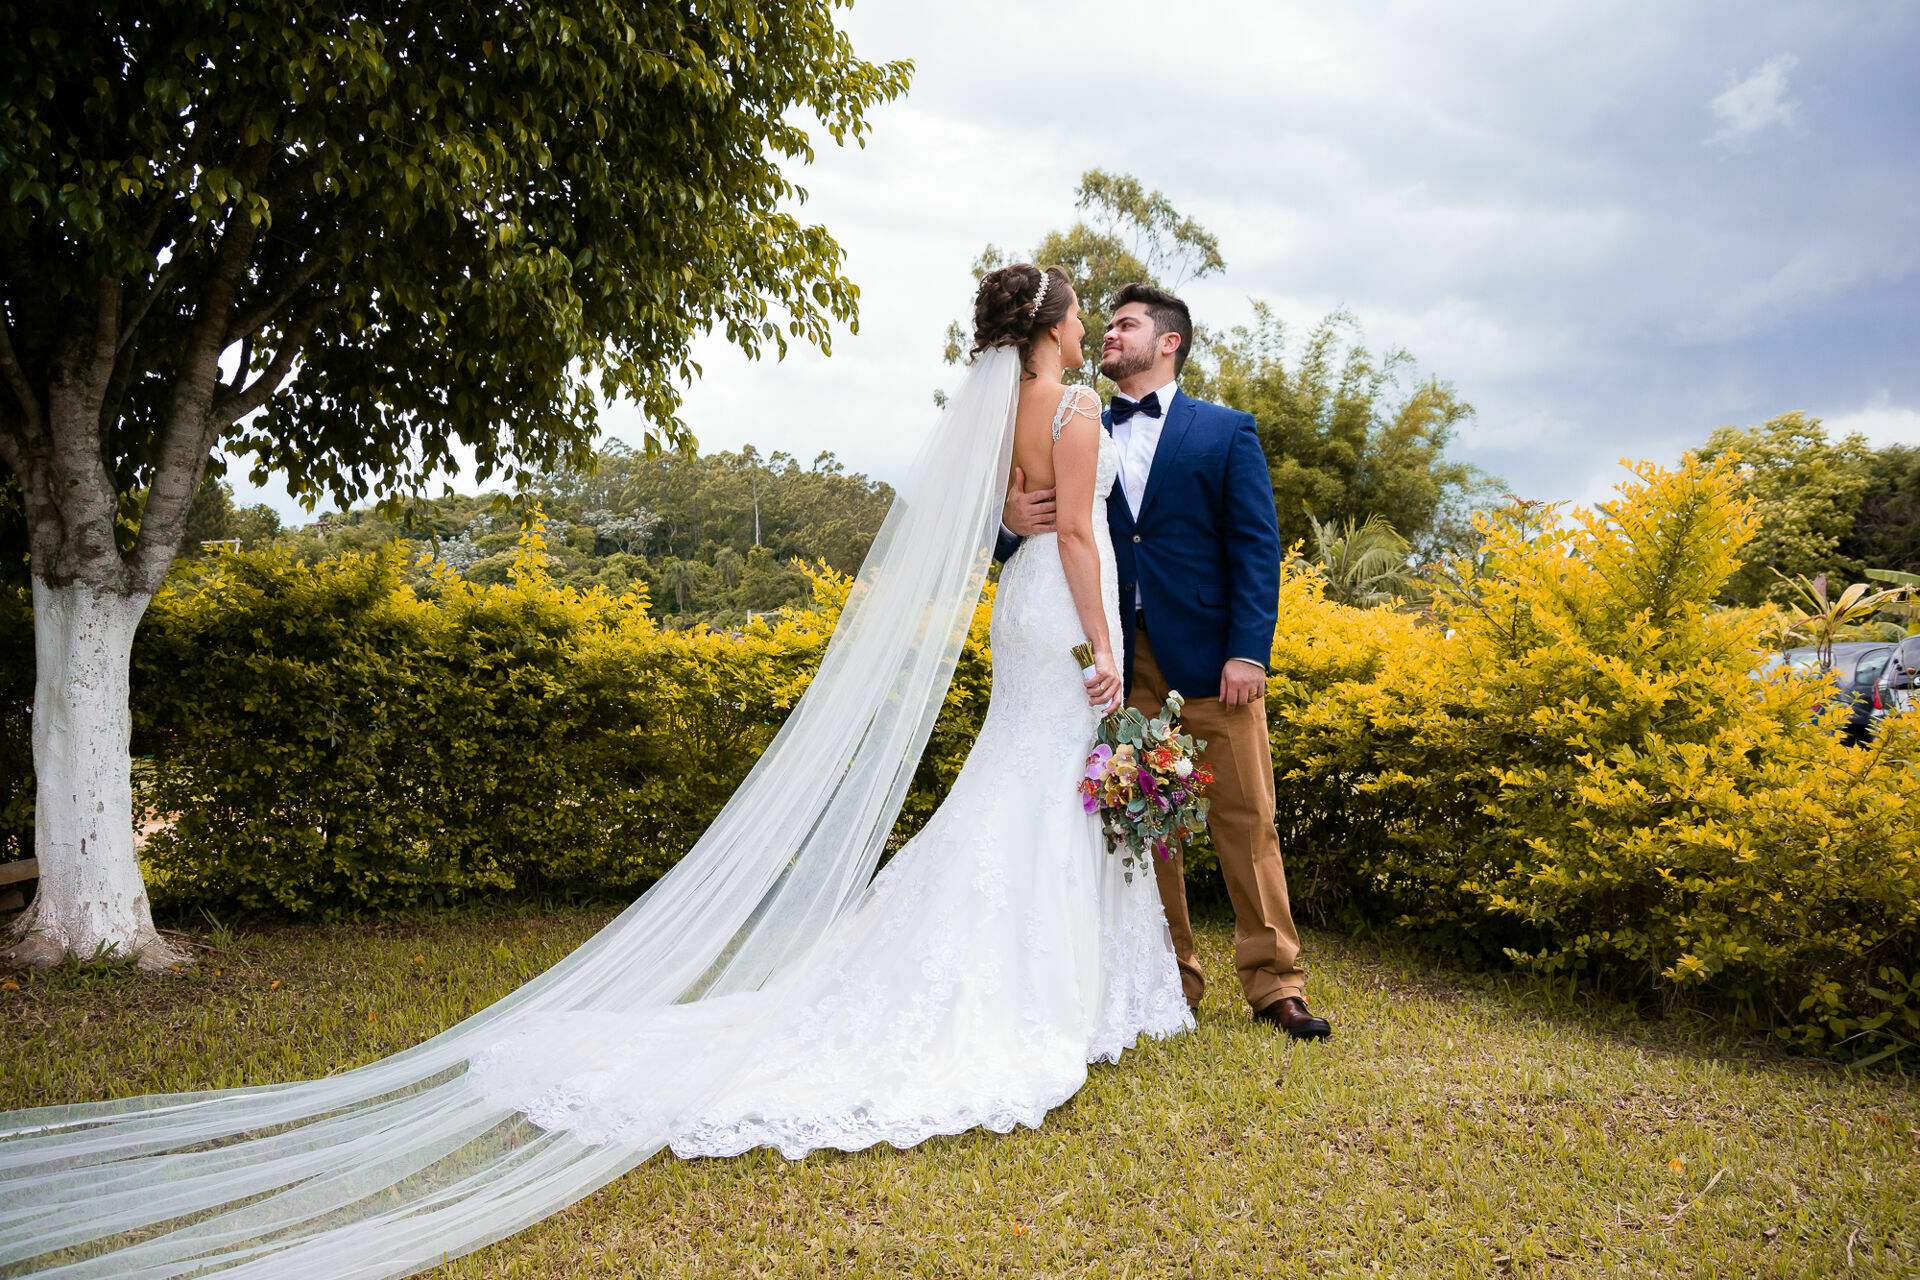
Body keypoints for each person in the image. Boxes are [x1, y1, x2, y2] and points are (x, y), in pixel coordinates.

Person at [0, 266, 1191, 1280]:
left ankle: (1065, 979)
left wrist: (1042, 532)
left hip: (1016, 611)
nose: (1092, 329)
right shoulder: (1075, 400)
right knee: (1038, 784)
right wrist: (1102, 645)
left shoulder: (992, 410)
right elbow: (1075, 530)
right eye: (1083, 313)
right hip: (1064, 614)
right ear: (1051, 326)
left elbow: (1017, 507)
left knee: (1018, 785)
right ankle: (1056, 991)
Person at [1000, 283, 1334, 1040]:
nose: (1109, 335)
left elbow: (1256, 548)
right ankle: (1169, 977)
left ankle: (1276, 984)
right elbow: (1037, 525)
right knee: (1138, 823)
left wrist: (1250, 649)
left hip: (1214, 657)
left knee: (1247, 820)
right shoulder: (1074, 413)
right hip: (1115, 655)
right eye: (1104, 324)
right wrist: (1010, 524)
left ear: (1170, 341)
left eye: (1126, 325)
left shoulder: (1226, 432)